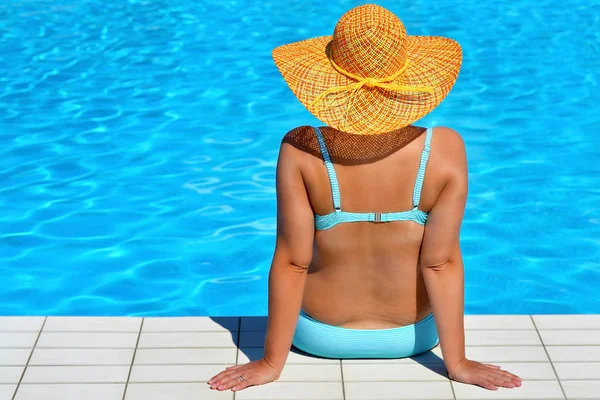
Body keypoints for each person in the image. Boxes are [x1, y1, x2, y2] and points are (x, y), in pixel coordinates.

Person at [209, 3, 522, 393]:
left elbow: (292, 262)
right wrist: (456, 363)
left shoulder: (303, 148)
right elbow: (440, 264)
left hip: (320, 335)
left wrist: (272, 363)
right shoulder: (443, 150)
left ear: (329, 79)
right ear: (407, 77)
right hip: (415, 336)